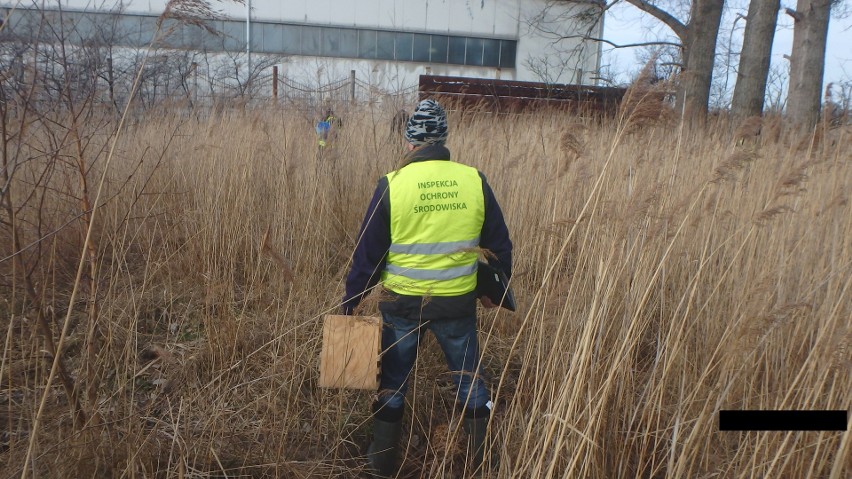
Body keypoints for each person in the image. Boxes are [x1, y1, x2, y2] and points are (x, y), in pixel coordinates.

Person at [341, 99, 512, 477]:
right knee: (470, 381)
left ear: (409, 143)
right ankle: (479, 464)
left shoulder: (392, 185)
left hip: (403, 305)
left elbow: (367, 255)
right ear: (444, 139)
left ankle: (382, 464)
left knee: (393, 384)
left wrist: (349, 305)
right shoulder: (474, 180)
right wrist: (494, 291)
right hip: (456, 306)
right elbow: (500, 246)